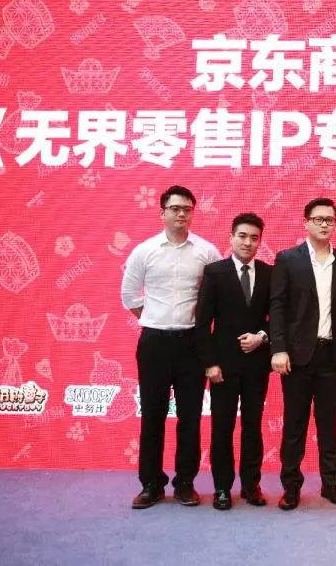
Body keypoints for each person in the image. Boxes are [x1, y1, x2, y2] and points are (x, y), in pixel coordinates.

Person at [121, 185, 222, 509]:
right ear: (162, 212)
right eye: (175, 208)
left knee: (190, 416)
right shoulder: (145, 251)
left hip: (192, 343)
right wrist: (155, 318)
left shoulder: (206, 251)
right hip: (154, 342)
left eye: (187, 209)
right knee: (152, 414)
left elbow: (218, 295)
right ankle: (151, 484)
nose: (181, 214)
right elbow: (129, 295)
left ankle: (185, 483)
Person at [268, 198, 336, 510]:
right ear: (305, 222)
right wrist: (278, 348)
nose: (324, 224)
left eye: (329, 220)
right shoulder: (287, 259)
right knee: (295, 425)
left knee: (329, 425)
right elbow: (277, 306)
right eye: (318, 219)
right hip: (296, 357)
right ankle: (291, 487)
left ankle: (331, 485)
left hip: (332, 355)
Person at [194, 213, 272, 511]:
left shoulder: (269, 273)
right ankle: (222, 488)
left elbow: (278, 317)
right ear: (231, 238)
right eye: (242, 236)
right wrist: (210, 364)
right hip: (223, 367)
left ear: (259, 242)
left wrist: (262, 337)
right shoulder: (215, 272)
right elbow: (203, 323)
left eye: (254, 238)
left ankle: (251, 486)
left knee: (253, 427)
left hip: (257, 365)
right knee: (222, 428)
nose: (248, 242)